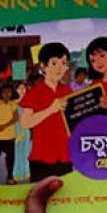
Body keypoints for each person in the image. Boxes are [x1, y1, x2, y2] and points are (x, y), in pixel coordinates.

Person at [19, 42, 73, 182]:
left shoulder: (67, 91)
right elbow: (25, 123)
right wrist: (51, 109)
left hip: (65, 156)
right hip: (41, 158)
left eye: (63, 63)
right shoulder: (34, 92)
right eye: (54, 63)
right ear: (43, 66)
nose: (59, 68)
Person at [12, 81, 32, 183]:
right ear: (16, 90)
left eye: (23, 88)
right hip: (16, 129)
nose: (22, 90)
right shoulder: (13, 103)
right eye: (19, 88)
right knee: (17, 152)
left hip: (26, 130)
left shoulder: (30, 103)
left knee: (26, 151)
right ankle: (16, 173)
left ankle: (26, 172)